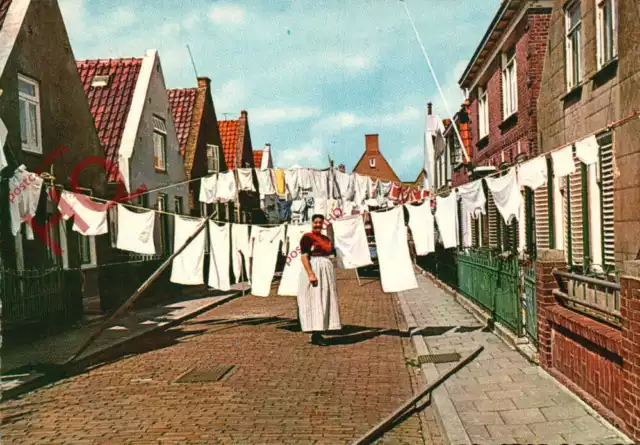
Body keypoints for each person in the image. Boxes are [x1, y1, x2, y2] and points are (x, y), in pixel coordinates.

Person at [297, 214, 341, 345]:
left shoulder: (326, 238)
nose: (317, 225)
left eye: (320, 223)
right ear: (311, 223)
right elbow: (304, 256)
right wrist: (310, 273)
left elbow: (331, 253)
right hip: (314, 268)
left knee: (325, 299)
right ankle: (315, 333)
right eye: (315, 222)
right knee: (315, 299)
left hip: (326, 270)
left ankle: (320, 330)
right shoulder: (307, 238)